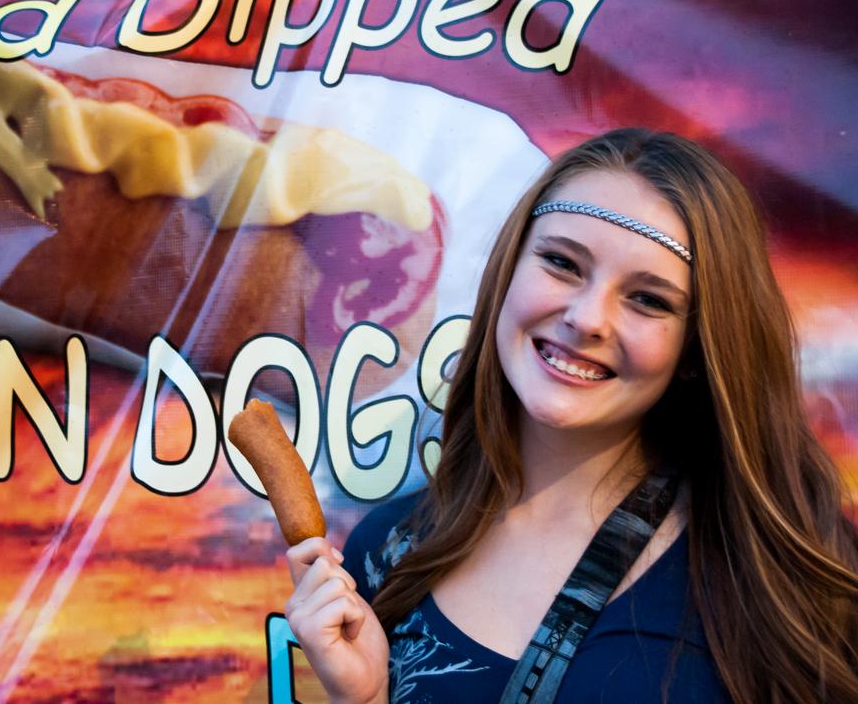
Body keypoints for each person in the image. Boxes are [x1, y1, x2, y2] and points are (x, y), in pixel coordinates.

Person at [284, 129, 858, 703]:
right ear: (508, 270)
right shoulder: (388, 553)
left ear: (694, 348)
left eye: (648, 299)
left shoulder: (793, 577)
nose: (587, 319)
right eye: (562, 263)